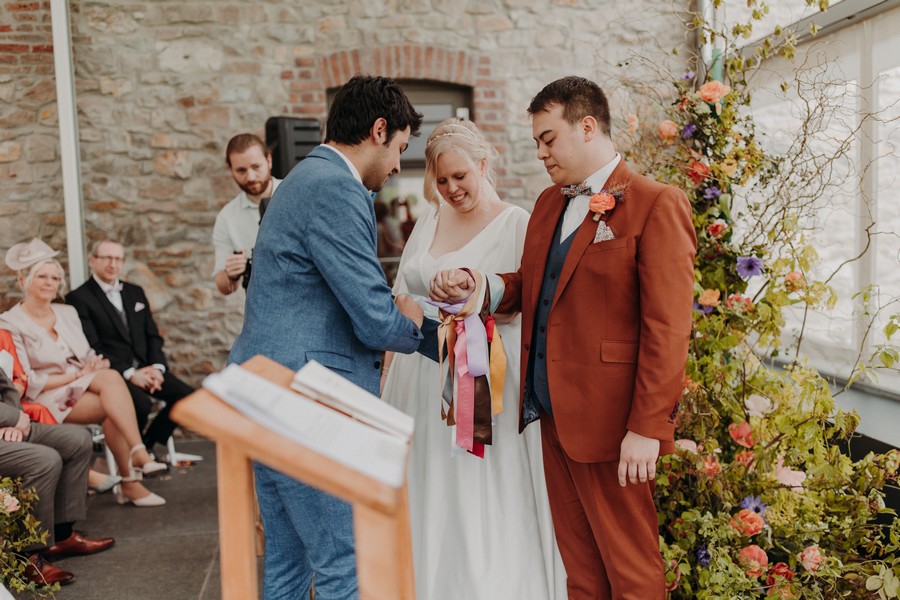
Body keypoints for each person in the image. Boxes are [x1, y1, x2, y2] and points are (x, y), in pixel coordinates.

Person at [431, 76, 697, 599]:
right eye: (537, 142)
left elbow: (668, 329)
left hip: (613, 425)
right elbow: (534, 284)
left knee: (632, 571)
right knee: (580, 570)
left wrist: (646, 427)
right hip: (551, 416)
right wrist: (480, 286)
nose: (541, 152)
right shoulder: (550, 204)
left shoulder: (653, 203)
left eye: (548, 138)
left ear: (588, 127)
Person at [228, 75, 426, 600]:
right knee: (348, 560)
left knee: (288, 566)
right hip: (307, 401)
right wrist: (434, 333)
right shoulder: (337, 187)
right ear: (379, 130)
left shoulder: (298, 180)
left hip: (266, 392)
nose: (398, 167)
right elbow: (372, 316)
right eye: (401, 149)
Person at [380, 118, 567, 599]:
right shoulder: (431, 217)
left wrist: (471, 298)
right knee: (427, 485)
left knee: (475, 485)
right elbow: (403, 293)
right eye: (441, 180)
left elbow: (527, 305)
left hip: (482, 379)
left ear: (484, 165)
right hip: (419, 373)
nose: (451, 188)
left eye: (460, 176)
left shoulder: (518, 223)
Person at [0, 239, 167, 508]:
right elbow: (29, 380)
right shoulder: (10, 322)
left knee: (109, 390)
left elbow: (87, 353)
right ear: (23, 281)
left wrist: (94, 364)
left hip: (85, 383)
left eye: (55, 277)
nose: (49, 282)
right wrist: (78, 376)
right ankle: (134, 471)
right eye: (42, 276)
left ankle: (132, 473)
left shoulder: (66, 312)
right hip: (46, 395)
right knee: (112, 388)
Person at [66, 239, 195, 458]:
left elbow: (153, 335)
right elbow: (91, 347)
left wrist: (156, 368)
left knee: (188, 396)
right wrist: (130, 374)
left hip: (147, 367)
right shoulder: (78, 298)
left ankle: (147, 444)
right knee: (142, 405)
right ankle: (128, 456)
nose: (112, 264)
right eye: (106, 258)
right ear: (93, 260)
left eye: (118, 259)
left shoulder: (135, 292)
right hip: (115, 373)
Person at [1, 358, 115, 586]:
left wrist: (16, 421)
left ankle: (61, 534)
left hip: (8, 423)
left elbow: (5, 387)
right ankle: (27, 556)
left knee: (77, 440)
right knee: (44, 460)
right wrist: (13, 418)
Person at [212, 133, 281, 297]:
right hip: (262, 311)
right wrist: (231, 274)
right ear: (230, 169)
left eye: (256, 167)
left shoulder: (296, 192)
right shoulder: (226, 217)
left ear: (269, 160)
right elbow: (224, 287)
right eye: (241, 170)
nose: (250, 177)